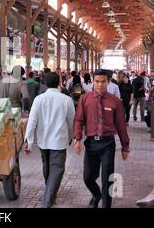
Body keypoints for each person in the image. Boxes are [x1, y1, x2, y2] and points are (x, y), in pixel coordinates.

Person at [74, 69, 130, 208]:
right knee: (88, 177)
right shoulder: (84, 99)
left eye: (103, 82)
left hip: (107, 144)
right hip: (91, 144)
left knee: (107, 179)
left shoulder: (115, 101)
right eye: (97, 82)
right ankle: (96, 194)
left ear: (108, 82)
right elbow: (78, 120)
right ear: (93, 81)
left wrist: (125, 146)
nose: (100, 85)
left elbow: (121, 125)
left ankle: (106, 205)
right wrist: (77, 139)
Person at [24, 72, 75, 208]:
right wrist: (72, 137)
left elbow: (32, 121)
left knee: (47, 167)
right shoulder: (66, 100)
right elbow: (71, 122)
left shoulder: (39, 99)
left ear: (45, 83)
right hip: (59, 141)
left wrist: (28, 141)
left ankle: (49, 196)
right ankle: (47, 202)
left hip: (43, 141)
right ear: (59, 82)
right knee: (57, 170)